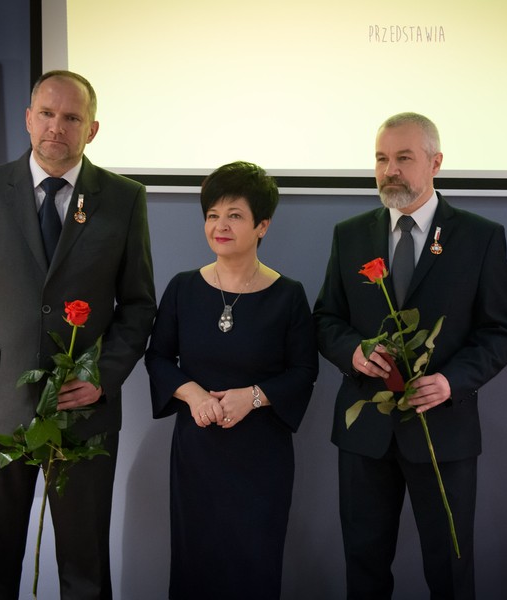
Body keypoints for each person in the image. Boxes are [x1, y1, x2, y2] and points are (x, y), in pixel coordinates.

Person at [0, 70, 157, 599]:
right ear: (29, 119)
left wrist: (102, 375)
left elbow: (140, 305)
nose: (58, 127)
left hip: (86, 412)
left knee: (85, 571)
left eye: (72, 118)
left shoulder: (123, 199)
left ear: (92, 129)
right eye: (48, 114)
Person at [313, 113, 507, 599]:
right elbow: (326, 319)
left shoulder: (478, 236)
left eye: (404, 158)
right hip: (365, 435)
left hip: (442, 428)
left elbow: (501, 331)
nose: (390, 171)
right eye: (382, 159)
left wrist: (452, 381)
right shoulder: (350, 234)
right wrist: (355, 353)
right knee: (363, 569)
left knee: (450, 571)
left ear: (436, 163)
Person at [145, 161, 318, 600]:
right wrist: (193, 394)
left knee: (254, 564)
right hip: (197, 449)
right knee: (195, 562)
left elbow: (304, 373)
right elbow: (159, 357)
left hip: (261, 455)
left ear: (262, 225)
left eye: (235, 215)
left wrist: (255, 396)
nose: (220, 226)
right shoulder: (183, 287)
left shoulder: (288, 295)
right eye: (212, 215)